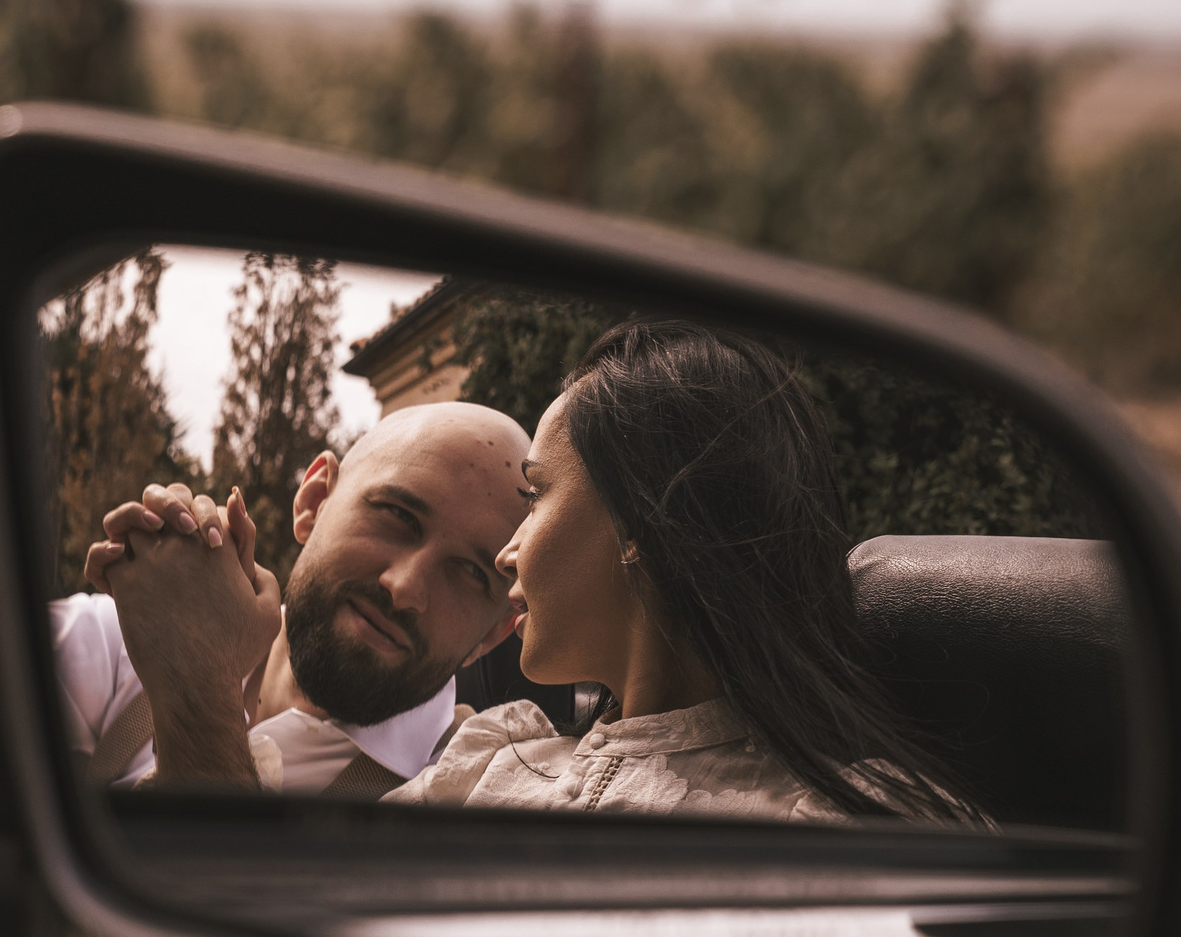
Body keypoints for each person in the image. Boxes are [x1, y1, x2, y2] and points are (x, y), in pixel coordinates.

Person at [387, 320, 976, 823]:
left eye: (536, 493)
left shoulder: (848, 825)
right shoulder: (482, 768)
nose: (506, 554)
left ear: (639, 520)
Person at [51, 401, 531, 795]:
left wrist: (197, 688)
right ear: (313, 501)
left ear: (493, 633)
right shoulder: (123, 643)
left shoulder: (472, 787)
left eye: (470, 572)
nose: (405, 588)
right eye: (399, 515)